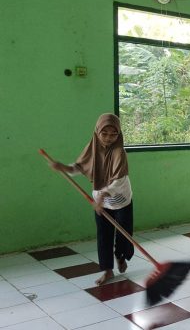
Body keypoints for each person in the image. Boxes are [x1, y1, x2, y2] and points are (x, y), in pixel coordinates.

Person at [49, 114, 134, 285]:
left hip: (121, 200)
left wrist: (104, 194)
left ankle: (120, 256)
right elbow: (77, 168)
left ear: (119, 135)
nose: (109, 138)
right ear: (97, 132)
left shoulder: (119, 152)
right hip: (100, 203)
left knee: (124, 235)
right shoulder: (91, 149)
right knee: (104, 235)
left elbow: (119, 181)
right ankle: (107, 270)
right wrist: (63, 167)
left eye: (113, 134)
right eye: (105, 133)